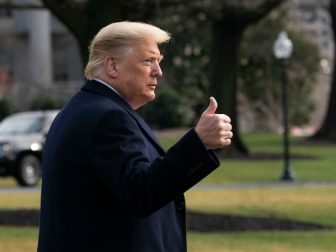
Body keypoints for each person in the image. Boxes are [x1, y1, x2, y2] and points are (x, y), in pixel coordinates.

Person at [37, 21, 233, 252]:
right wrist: (198, 142)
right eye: (148, 61)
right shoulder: (107, 117)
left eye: (158, 62)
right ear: (112, 66)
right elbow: (140, 192)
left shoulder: (84, 108)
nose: (158, 71)